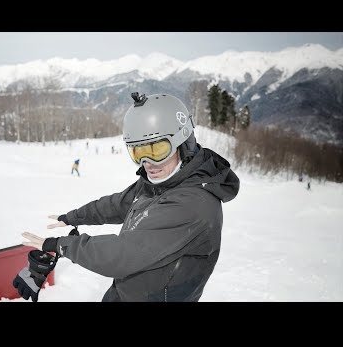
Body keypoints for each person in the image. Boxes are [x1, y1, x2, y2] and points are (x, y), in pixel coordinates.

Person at [16, 92, 240, 302]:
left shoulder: (192, 204)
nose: (148, 162)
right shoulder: (163, 181)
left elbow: (121, 253)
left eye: (156, 150)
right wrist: (73, 217)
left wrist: (60, 245)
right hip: (128, 291)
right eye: (138, 152)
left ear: (184, 144)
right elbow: (118, 204)